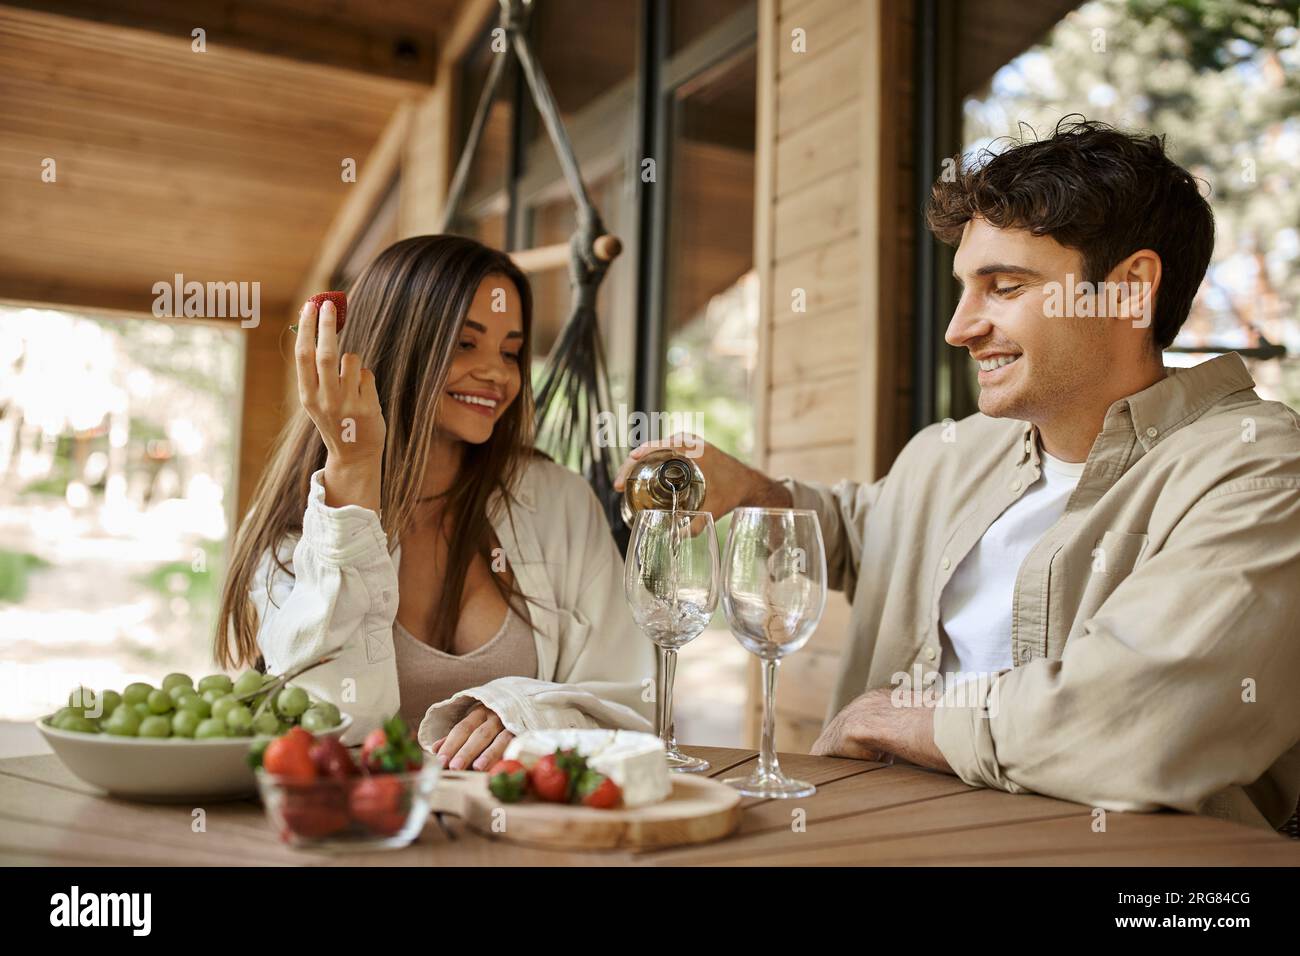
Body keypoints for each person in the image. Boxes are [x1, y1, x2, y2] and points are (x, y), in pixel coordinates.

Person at [617, 119, 1300, 831]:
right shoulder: (953, 450)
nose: (958, 327)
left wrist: (904, 718)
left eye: (1003, 287)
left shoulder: (1257, 470)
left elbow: (1148, 722)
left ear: (1129, 290)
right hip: (877, 838)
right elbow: (872, 531)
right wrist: (757, 495)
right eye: (964, 289)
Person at [216, 235, 654, 769]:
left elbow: (632, 701)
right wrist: (353, 469)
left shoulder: (560, 502)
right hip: (359, 835)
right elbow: (330, 718)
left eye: (511, 351)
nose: (497, 372)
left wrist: (527, 713)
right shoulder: (300, 529)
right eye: (465, 344)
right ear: (397, 344)